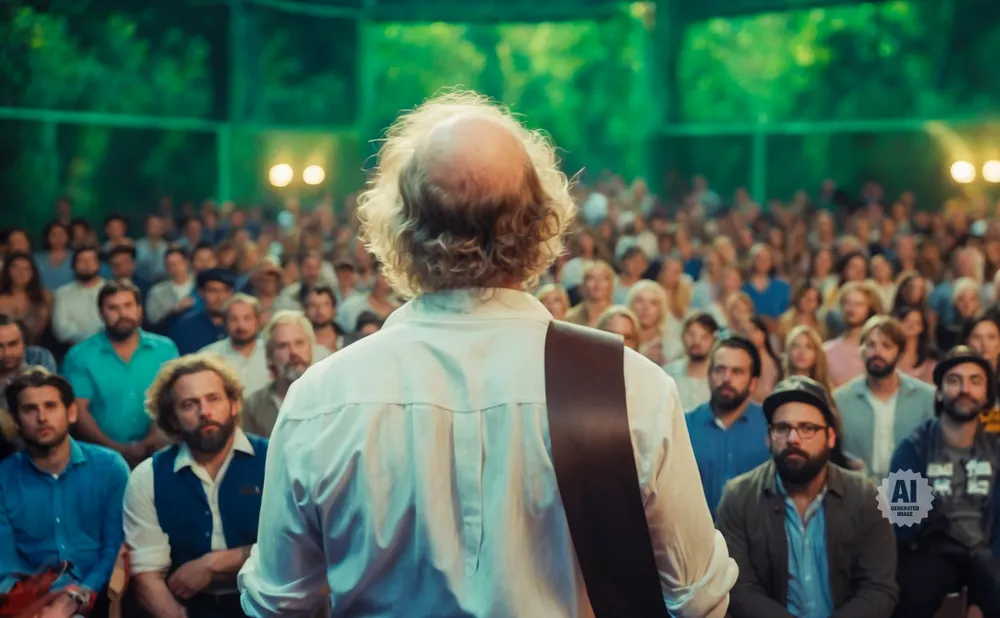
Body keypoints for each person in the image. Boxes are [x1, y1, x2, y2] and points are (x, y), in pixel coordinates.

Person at [238, 92, 737, 617]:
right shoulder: (631, 388)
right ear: (541, 223)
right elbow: (699, 598)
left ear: (400, 227)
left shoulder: (322, 400)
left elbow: (278, 603)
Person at [716, 375, 899, 618]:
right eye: (782, 428)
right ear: (769, 438)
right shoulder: (738, 497)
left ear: (831, 437)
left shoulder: (866, 497)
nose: (793, 438)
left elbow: (878, 588)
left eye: (807, 428)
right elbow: (739, 589)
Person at [124, 354, 267, 618]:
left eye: (213, 399)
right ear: (173, 419)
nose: (205, 412)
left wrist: (214, 564)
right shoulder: (148, 476)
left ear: (234, 404)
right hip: (186, 608)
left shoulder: (273, 460)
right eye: (189, 404)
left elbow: (296, 549)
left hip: (266, 603)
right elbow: (147, 576)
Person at [0, 368, 130, 617]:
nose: (42, 417)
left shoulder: (110, 467)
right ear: (16, 420)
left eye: (51, 406)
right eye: (30, 409)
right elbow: (4, 561)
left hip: (95, 593)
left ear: (71, 413)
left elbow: (114, 549)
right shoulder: (4, 478)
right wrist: (33, 605)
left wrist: (76, 597)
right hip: (26, 601)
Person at [889, 347, 1000, 618]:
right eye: (954, 380)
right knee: (911, 593)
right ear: (938, 392)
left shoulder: (997, 448)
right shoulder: (913, 447)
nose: (965, 389)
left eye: (975, 381)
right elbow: (904, 520)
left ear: (986, 394)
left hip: (989, 551)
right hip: (933, 551)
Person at [62, 280, 178, 467]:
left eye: (128, 306)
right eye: (113, 308)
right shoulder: (80, 356)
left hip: (159, 453)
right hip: (100, 459)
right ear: (101, 314)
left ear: (139, 310)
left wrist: (153, 440)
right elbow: (78, 410)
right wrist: (115, 449)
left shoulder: (165, 349)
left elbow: (173, 400)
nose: (122, 314)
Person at [833, 315, 936, 479]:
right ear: (861, 350)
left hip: (911, 494)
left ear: (900, 353)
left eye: (886, 346)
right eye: (871, 345)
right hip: (858, 492)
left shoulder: (927, 398)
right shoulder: (840, 400)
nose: (877, 352)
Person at [685, 336, 772, 516]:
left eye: (737, 372)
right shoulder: (684, 426)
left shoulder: (771, 426)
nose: (727, 378)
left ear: (753, 383)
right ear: (709, 376)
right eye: (720, 370)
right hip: (699, 536)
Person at [242, 311, 315, 438]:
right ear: (270, 356)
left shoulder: (331, 396)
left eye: (299, 343)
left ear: (310, 348)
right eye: (283, 346)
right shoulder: (253, 407)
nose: (293, 352)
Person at [200, 294, 269, 393]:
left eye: (247, 318)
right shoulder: (208, 357)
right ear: (224, 323)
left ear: (258, 321)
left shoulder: (272, 353)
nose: (241, 325)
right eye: (233, 319)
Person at [168, 268, 234, 355]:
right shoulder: (184, 328)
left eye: (225, 291)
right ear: (201, 293)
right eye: (213, 291)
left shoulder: (240, 326)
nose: (220, 298)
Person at [51, 245, 106, 346]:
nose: (87, 264)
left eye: (91, 260)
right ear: (74, 265)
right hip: (75, 348)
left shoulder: (112, 289)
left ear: (98, 264)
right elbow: (61, 331)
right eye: (82, 261)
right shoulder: (62, 293)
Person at [665, 312, 719, 411]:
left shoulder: (719, 378)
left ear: (714, 340)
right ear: (683, 336)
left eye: (704, 337)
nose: (696, 341)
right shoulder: (668, 374)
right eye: (691, 335)